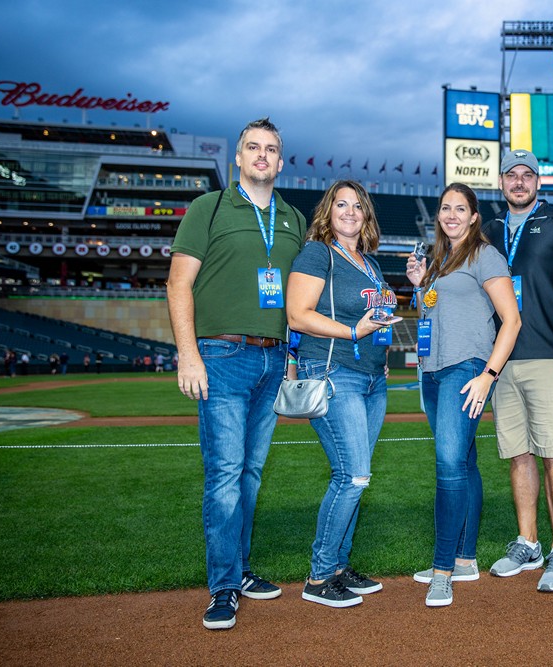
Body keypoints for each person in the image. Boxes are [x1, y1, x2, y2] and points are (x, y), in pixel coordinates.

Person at [168, 117, 306, 630]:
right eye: (253, 148)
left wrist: (293, 354)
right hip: (221, 355)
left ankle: (240, 569)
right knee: (224, 475)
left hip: (274, 359)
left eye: (271, 149)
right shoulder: (208, 207)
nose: (262, 156)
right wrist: (188, 353)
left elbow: (299, 296)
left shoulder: (293, 217)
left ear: (281, 160)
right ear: (239, 158)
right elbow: (178, 283)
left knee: (249, 474)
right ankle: (223, 586)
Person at [481, 149, 553, 593]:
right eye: (512, 175)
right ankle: (528, 541)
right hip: (502, 360)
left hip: (551, 354)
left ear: (538, 183)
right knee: (519, 454)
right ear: (502, 181)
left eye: (527, 175)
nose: (519, 182)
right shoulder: (488, 230)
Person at [405, 183, 521, 607]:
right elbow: (438, 315)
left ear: (474, 216)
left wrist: (489, 374)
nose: (451, 214)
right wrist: (421, 286)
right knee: (465, 462)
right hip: (434, 373)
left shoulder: (484, 254)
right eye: (444, 208)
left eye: (460, 208)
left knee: (448, 466)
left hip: (466, 370)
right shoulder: (441, 260)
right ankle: (466, 559)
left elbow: (511, 320)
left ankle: (442, 572)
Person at [286, 179, 397, 609]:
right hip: (334, 372)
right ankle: (318, 577)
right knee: (351, 476)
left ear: (367, 215)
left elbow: (376, 316)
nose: (350, 212)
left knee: (357, 476)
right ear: (328, 212)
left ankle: (337, 567)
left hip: (371, 377)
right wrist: (353, 330)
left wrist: (378, 343)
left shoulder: (370, 263)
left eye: (357, 206)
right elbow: (297, 315)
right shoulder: (318, 253)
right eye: (341, 205)